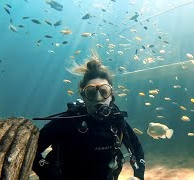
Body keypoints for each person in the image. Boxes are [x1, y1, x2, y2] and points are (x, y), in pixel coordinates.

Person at [32, 52, 145, 180]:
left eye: (104, 91)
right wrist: (50, 176)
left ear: (112, 95)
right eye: (91, 92)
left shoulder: (117, 121)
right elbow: (31, 149)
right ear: (83, 96)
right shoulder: (68, 121)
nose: (98, 98)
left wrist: (139, 176)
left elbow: (136, 147)